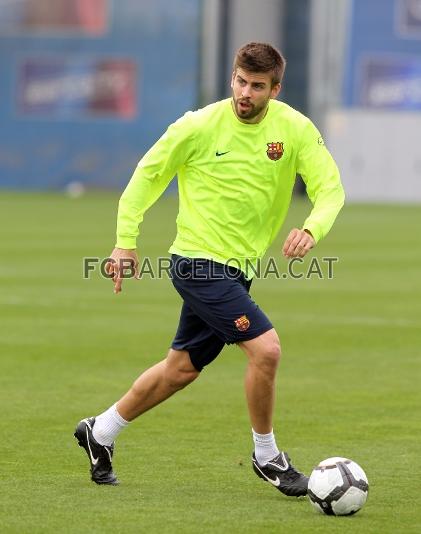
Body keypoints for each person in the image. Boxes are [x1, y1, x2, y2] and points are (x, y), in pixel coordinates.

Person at [74, 42, 345, 497]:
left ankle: (99, 431)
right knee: (267, 350)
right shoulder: (198, 125)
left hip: (238, 270)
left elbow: (331, 189)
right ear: (231, 78)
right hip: (197, 263)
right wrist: (125, 242)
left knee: (180, 369)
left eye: (257, 86)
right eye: (240, 81)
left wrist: (313, 228)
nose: (245, 92)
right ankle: (267, 456)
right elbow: (147, 176)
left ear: (275, 90)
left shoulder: (295, 130)